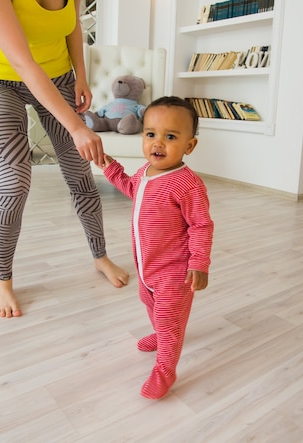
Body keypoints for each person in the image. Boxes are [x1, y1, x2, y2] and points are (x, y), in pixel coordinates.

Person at [0, 0, 129, 318]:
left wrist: (81, 76)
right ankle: (1, 280)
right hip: (0, 80)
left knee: (80, 175)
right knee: (15, 182)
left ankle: (100, 256)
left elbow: (71, 28)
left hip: (59, 76)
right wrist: (76, 127)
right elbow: (23, 63)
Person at [100, 96, 214, 399]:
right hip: (147, 267)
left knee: (168, 317)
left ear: (189, 146)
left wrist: (199, 263)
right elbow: (130, 187)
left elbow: (201, 226)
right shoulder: (145, 173)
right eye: (151, 134)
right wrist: (110, 166)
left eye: (171, 137)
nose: (158, 143)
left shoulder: (188, 184)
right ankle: (163, 334)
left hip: (175, 273)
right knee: (149, 304)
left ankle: (166, 368)